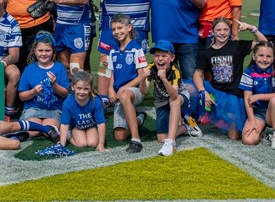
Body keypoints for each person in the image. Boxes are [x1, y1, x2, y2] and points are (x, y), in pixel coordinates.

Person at [193, 18, 266, 140]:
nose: (222, 32)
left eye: (226, 29)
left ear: (230, 31)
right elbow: (197, 74)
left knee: (234, 136)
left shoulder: (237, 46)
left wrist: (251, 28)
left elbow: (265, 45)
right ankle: (200, 116)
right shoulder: (207, 52)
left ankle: (222, 119)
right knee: (189, 88)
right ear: (212, 32)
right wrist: (203, 92)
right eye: (219, 30)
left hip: (233, 95)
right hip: (215, 91)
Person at [139, 40, 194, 157]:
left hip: (180, 98)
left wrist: (164, 79)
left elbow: (174, 95)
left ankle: (170, 142)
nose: (160, 59)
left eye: (164, 55)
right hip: (161, 101)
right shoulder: (150, 68)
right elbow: (143, 91)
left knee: (174, 101)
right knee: (160, 138)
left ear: (172, 57)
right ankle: (186, 126)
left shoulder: (175, 70)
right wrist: (142, 78)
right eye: (157, 55)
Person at [106, 14, 148, 153]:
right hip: (119, 94)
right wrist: (111, 89)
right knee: (120, 136)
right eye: (114, 29)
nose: (117, 32)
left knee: (124, 95)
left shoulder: (136, 49)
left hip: (135, 91)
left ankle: (136, 140)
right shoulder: (113, 51)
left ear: (129, 28)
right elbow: (112, 75)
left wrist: (123, 88)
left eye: (120, 28)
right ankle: (139, 118)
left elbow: (141, 76)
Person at [239, 41, 275, 149]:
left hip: (274, 111)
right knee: (248, 140)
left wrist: (258, 96)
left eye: (268, 56)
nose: (264, 59)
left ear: (273, 58)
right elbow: (248, 100)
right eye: (261, 55)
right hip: (257, 112)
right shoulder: (249, 72)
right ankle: (262, 131)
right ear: (254, 56)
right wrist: (251, 121)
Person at [18, 32, 69, 134]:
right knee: (33, 132)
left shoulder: (59, 68)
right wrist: (33, 92)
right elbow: (22, 96)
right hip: (32, 109)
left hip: (53, 110)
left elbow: (65, 93)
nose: (44, 54)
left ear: (53, 51)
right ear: (35, 51)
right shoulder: (29, 69)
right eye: (40, 50)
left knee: (49, 131)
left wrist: (54, 85)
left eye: (47, 50)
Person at [58, 70, 107, 151]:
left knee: (93, 143)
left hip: (90, 126)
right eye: (79, 88)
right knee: (81, 144)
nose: (82, 92)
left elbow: (101, 123)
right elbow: (64, 124)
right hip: (76, 127)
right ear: (73, 87)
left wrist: (101, 144)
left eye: (86, 89)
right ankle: (69, 136)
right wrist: (62, 145)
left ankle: (93, 139)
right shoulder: (68, 102)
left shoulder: (95, 101)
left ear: (91, 88)